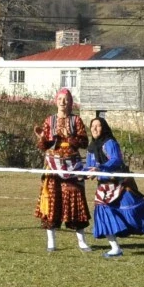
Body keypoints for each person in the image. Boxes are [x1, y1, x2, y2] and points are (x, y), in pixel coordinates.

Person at [85, 117, 144, 258]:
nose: (95, 128)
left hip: (120, 185)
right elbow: (89, 166)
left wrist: (100, 168)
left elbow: (116, 159)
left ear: (104, 127)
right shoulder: (91, 148)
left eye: (98, 126)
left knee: (135, 215)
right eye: (93, 126)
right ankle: (115, 248)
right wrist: (85, 172)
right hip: (103, 189)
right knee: (104, 216)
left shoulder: (110, 143)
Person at [34, 88, 92, 252]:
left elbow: (84, 143)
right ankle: (51, 242)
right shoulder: (49, 120)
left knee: (75, 200)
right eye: (60, 99)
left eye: (65, 99)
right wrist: (41, 139)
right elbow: (43, 146)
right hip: (52, 166)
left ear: (70, 102)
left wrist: (70, 137)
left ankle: (81, 241)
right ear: (56, 101)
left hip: (72, 166)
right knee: (52, 201)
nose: (62, 102)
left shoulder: (76, 121)